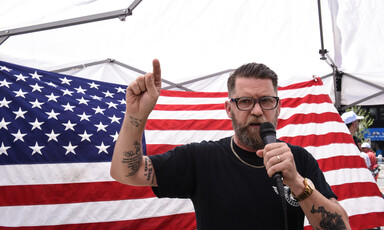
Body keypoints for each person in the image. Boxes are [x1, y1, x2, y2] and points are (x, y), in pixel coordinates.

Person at [111, 59, 350, 229]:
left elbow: (341, 228)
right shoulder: (201, 158)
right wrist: (136, 114)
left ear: (278, 107)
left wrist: (298, 183)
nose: (257, 111)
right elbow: (126, 172)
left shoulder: (299, 159)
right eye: (245, 101)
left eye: (266, 101)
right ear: (229, 109)